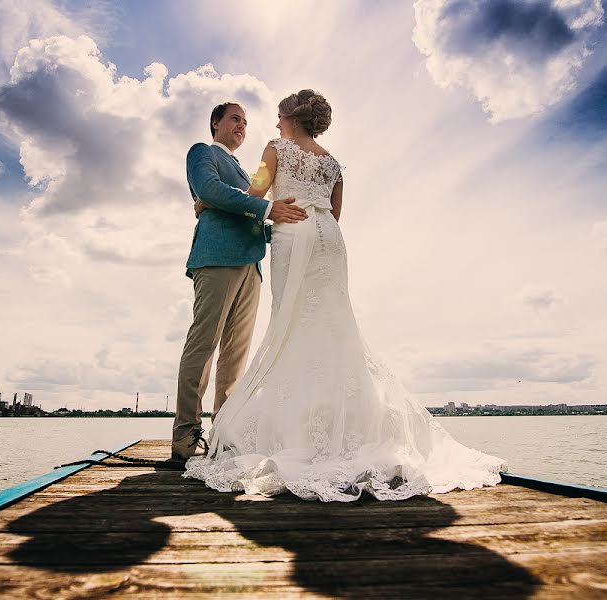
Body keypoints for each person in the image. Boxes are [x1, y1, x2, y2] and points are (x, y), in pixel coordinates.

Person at [185, 90, 506, 501]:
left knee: (291, 325)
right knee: (333, 325)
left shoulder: (275, 148)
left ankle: (294, 426)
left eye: (278, 116)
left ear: (289, 118)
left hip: (292, 234)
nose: (274, 123)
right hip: (329, 241)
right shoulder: (334, 163)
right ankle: (344, 423)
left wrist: (204, 206)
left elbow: (256, 193)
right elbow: (335, 212)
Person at [171, 102, 308, 463]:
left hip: (252, 266)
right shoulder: (202, 153)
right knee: (203, 345)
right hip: (216, 258)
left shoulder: (247, 175)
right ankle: (186, 436)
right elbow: (210, 190)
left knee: (235, 357)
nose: (242, 126)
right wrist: (262, 208)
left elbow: (245, 214)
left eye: (246, 122)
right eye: (235, 118)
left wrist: (288, 227)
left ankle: (224, 435)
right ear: (215, 123)